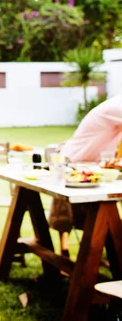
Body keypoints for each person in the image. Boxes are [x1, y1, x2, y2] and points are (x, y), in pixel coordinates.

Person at [48, 95, 122, 257]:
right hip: (73, 159)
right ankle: (64, 254)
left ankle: (94, 255)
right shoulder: (117, 105)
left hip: (93, 164)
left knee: (94, 213)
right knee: (64, 214)